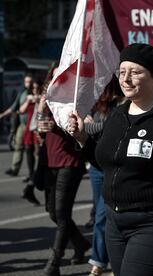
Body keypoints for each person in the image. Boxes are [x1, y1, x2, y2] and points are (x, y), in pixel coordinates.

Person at [67, 43, 153, 276]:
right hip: (115, 224)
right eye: (122, 71)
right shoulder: (117, 115)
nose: (126, 78)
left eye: (136, 72)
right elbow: (107, 163)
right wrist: (82, 140)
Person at [38, 73, 90, 276]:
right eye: (53, 79)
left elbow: (80, 128)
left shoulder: (73, 100)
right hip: (49, 162)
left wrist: (58, 126)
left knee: (61, 213)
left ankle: (55, 261)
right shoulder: (48, 101)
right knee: (53, 211)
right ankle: (80, 242)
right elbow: (39, 130)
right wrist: (42, 112)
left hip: (70, 162)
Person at [83, 76, 125, 276]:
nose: (97, 88)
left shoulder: (120, 105)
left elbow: (109, 129)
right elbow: (80, 128)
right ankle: (99, 262)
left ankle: (100, 264)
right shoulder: (92, 106)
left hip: (114, 169)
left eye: (101, 85)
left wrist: (90, 127)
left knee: (103, 216)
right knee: (101, 216)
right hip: (96, 169)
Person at [1, 75, 33, 177]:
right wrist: (2, 114)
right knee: (18, 147)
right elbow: (14, 108)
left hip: (33, 127)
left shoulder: (36, 93)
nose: (28, 84)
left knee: (31, 151)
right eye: (26, 82)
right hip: (23, 126)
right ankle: (14, 168)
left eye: (30, 82)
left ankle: (33, 173)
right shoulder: (22, 94)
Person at [19, 80, 43, 205]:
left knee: (40, 160)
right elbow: (21, 110)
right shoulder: (29, 98)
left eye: (36, 87)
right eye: (33, 88)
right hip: (29, 131)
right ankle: (30, 185)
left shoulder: (42, 99)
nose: (34, 90)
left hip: (38, 132)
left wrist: (39, 100)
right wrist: (29, 100)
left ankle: (30, 187)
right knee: (30, 160)